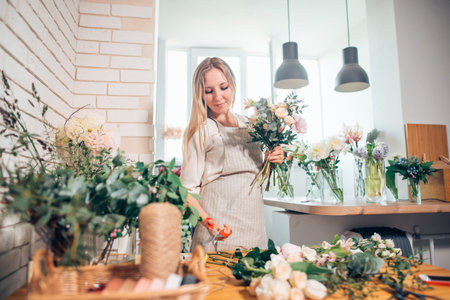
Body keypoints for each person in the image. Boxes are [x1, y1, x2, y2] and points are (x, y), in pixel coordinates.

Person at [180, 57, 284, 252]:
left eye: (223, 87)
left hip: (255, 233)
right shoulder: (201, 130)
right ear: (200, 95)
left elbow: (256, 178)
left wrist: (274, 160)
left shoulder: (252, 126)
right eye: (209, 91)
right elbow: (187, 191)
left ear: (233, 85)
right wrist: (210, 223)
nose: (218, 97)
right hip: (217, 236)